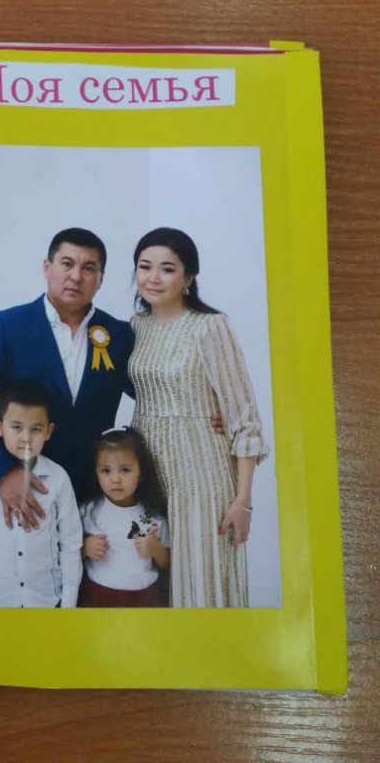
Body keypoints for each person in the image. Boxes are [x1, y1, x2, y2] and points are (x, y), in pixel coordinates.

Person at [128, 227, 269, 608]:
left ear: (188, 277)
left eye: (168, 269)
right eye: (145, 266)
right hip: (147, 473)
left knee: (200, 585)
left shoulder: (211, 327)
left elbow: (244, 418)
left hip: (200, 474)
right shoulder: (135, 326)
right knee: (152, 582)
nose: (153, 277)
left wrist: (243, 502)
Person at [0, 228, 133, 531]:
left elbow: (153, 392)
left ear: (100, 279)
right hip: (25, 486)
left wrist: (209, 415)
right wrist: (2, 473)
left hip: (96, 496)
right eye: (67, 263)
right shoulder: (5, 327)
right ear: (47, 267)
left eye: (88, 268)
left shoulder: (118, 335)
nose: (76, 276)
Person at [0, 380, 82, 608]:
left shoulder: (58, 479)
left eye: (35, 429)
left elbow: (71, 544)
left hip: (47, 602)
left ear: (48, 431)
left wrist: (68, 607)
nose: (26, 437)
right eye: (16, 427)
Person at [78, 427, 170, 607]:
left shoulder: (153, 516)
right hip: (99, 595)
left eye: (125, 470)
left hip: (144, 598)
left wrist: (155, 548)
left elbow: (167, 563)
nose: (116, 479)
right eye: (106, 471)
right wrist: (85, 548)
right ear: (96, 473)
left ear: (141, 473)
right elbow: (66, 553)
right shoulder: (88, 512)